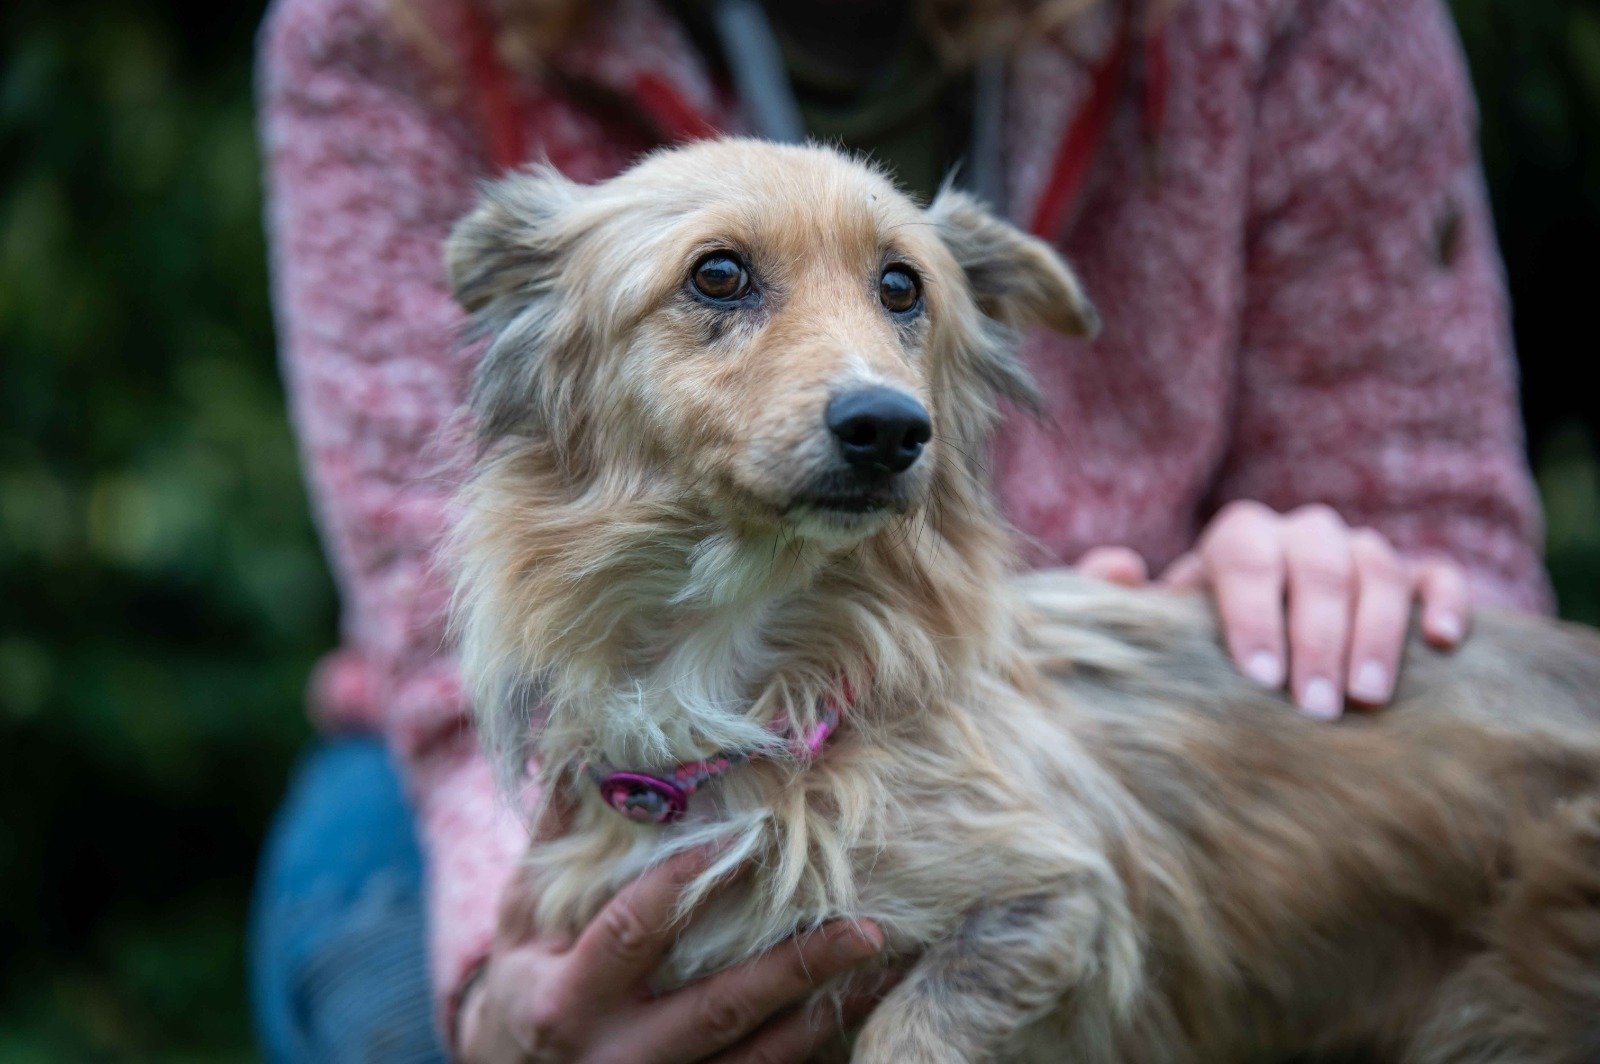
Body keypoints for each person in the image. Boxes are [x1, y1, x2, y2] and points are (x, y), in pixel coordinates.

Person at [250, 0, 1552, 1059]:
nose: (874, 389)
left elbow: (1440, 525)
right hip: (466, 770)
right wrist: (506, 986)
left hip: (1177, 711)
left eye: (900, 294)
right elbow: (441, 657)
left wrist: (1358, 569)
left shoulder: (1300, 17)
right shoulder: (392, 29)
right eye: (721, 281)